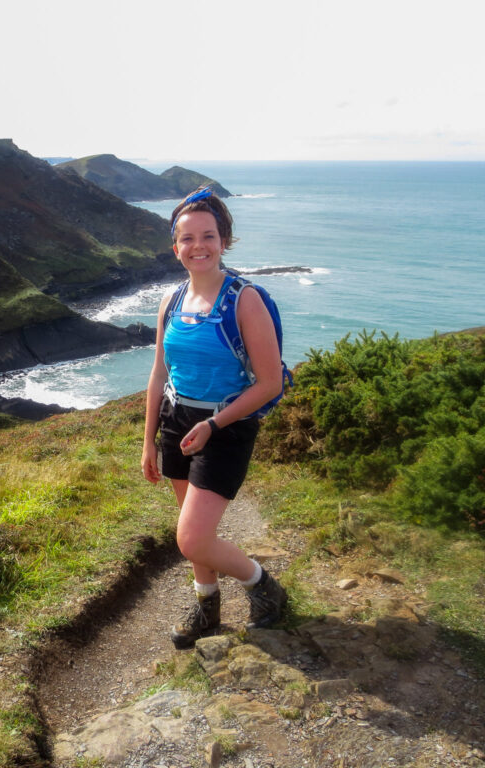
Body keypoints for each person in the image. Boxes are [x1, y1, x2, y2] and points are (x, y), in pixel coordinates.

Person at [141, 187, 288, 649]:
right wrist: (148, 441)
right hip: (176, 420)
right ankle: (207, 604)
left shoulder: (244, 301)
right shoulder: (172, 299)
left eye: (208, 236)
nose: (198, 246)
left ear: (224, 241)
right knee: (193, 531)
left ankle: (263, 586)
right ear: (175, 246)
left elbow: (270, 383)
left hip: (225, 428)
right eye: (187, 238)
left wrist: (214, 425)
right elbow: (159, 372)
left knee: (191, 537)